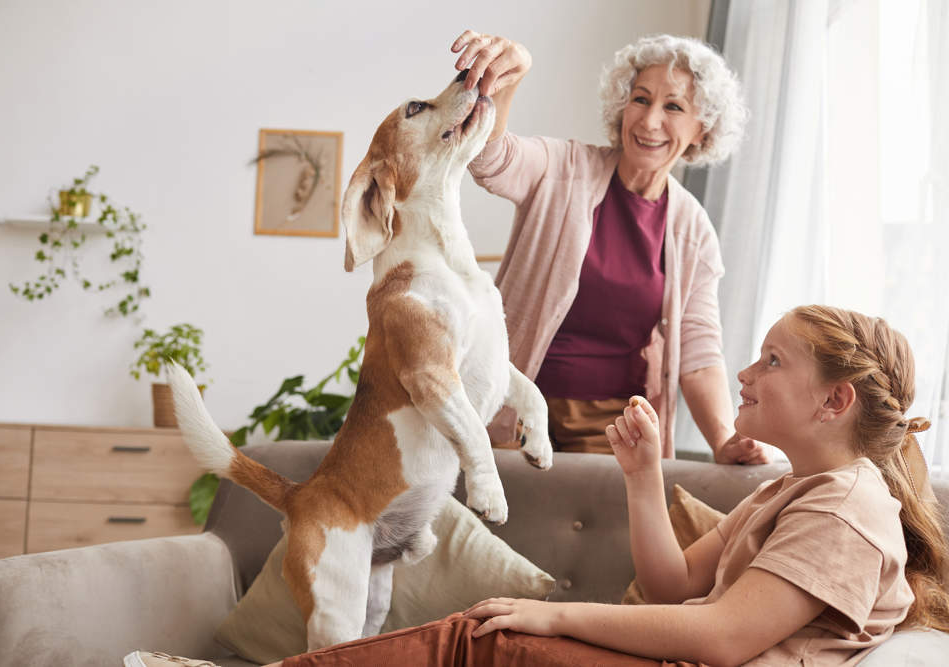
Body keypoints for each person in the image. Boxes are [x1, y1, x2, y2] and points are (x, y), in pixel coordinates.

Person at [126, 304, 949, 666]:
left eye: (773, 360)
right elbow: (672, 587)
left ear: (835, 400)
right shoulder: (788, 490)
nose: (745, 370)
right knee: (483, 640)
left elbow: (724, 637)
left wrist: (551, 611)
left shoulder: (847, 505)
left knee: (483, 639)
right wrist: (638, 476)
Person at [452, 30, 769, 464]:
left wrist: (722, 440)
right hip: (510, 404)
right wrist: (509, 79)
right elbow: (489, 160)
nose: (649, 120)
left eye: (673, 106)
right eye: (640, 99)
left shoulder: (692, 230)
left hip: (610, 427)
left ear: (702, 130)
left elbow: (698, 352)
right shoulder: (563, 168)